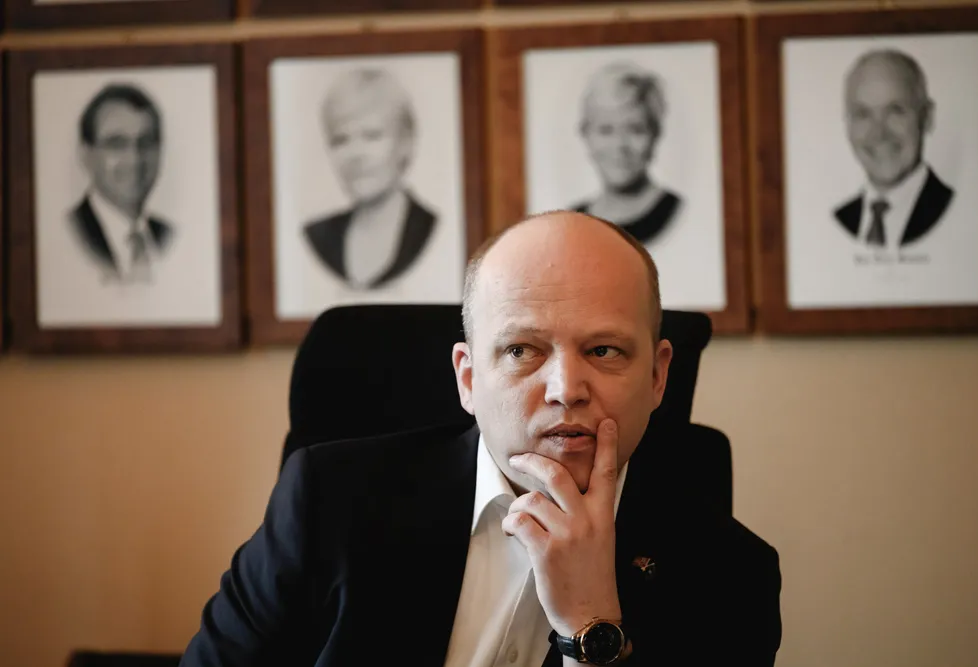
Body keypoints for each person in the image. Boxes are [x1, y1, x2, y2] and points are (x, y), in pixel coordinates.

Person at [179, 211, 781, 666]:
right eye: (522, 350)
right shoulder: (326, 501)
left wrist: (592, 625)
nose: (566, 390)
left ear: (657, 377)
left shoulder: (732, 577)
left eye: (603, 350)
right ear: (468, 378)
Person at [303, 67, 437, 290]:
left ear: (405, 142)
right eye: (340, 139)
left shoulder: (431, 228)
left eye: (372, 135)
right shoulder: (319, 236)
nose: (356, 155)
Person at [834, 48, 954, 249]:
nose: (879, 133)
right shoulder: (841, 219)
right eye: (863, 114)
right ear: (848, 124)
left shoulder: (955, 211)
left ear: (927, 117)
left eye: (895, 111)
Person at [70, 83, 174, 284]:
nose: (134, 159)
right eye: (116, 144)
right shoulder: (70, 234)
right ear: (86, 155)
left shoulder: (167, 234)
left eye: (146, 142)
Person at [571, 61, 682, 245]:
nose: (620, 145)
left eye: (635, 129)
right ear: (585, 134)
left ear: (655, 134)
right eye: (606, 130)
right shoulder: (573, 221)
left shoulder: (677, 212)